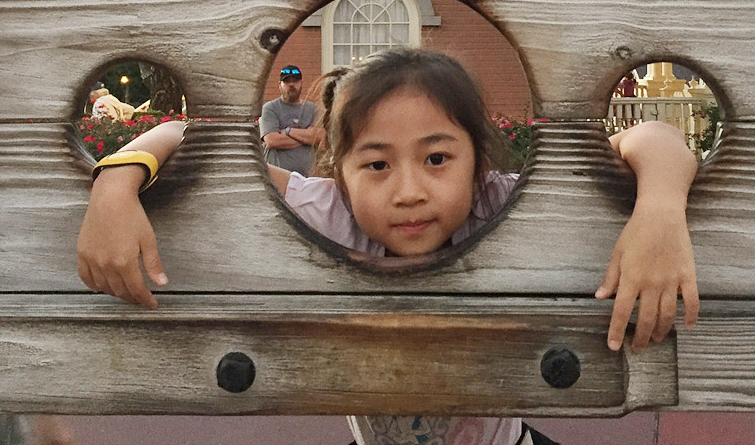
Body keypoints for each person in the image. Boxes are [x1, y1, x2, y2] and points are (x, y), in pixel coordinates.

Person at [77, 48, 699, 445]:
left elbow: (653, 137)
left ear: (478, 160)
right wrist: (115, 184)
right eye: (376, 165)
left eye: (437, 158)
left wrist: (659, 209)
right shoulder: (329, 213)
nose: (408, 192)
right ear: (340, 173)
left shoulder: (497, 202)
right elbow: (192, 137)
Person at [258, 63, 324, 175]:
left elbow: (320, 136)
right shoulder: (269, 108)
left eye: (295, 81)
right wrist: (306, 137)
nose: (292, 84)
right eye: (287, 81)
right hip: (278, 179)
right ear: (280, 85)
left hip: (309, 178)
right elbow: (272, 140)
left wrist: (288, 131)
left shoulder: (313, 109)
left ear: (301, 83)